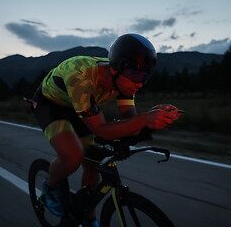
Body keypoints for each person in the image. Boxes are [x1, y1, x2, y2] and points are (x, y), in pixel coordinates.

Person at [32, 33, 182, 227]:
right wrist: (144, 119)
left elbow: (130, 120)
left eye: (145, 76)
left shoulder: (125, 78)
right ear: (114, 70)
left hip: (80, 106)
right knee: (74, 156)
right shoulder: (82, 77)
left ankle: (89, 217)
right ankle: (51, 187)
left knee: (93, 158)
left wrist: (152, 118)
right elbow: (102, 130)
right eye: (136, 75)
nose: (139, 83)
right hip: (52, 105)